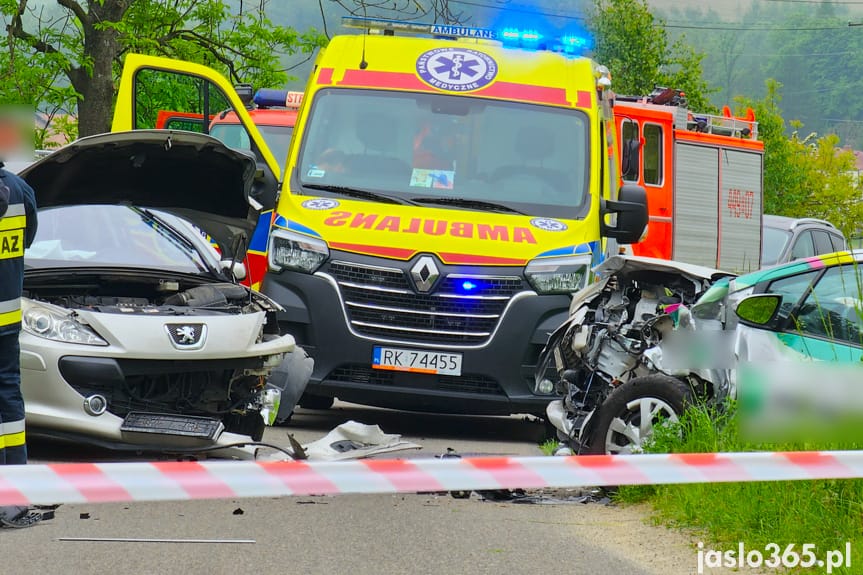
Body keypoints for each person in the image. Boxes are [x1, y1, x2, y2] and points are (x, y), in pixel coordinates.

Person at [0, 110, 41, 528]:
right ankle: (13, 486)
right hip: (6, 317)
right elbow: (26, 240)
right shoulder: (19, 191)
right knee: (9, 398)